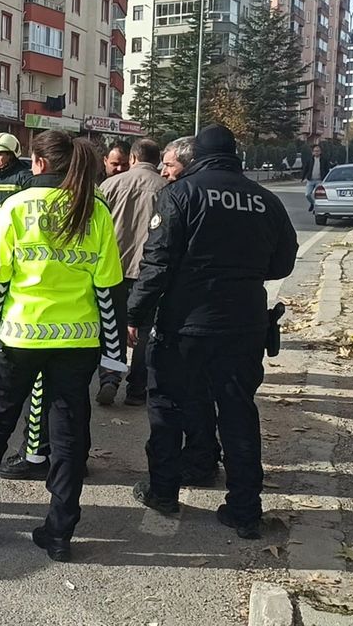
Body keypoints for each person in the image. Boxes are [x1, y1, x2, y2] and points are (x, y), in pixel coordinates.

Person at [0, 130, 127, 562]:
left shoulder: (15, 208)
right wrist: (114, 355)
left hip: (19, 338)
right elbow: (110, 290)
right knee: (69, 435)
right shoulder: (94, 210)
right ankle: (60, 533)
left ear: (38, 163)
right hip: (78, 341)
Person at [129, 124, 298, 540]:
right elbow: (282, 265)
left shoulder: (180, 195)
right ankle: (244, 509)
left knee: (167, 406)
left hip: (185, 324)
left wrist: (134, 313)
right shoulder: (266, 200)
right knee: (238, 411)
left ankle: (164, 491)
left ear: (197, 156)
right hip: (243, 325)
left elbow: (158, 263)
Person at [96, 138, 167, 407]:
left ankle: (109, 377)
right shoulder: (167, 189)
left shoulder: (109, 186)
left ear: (133, 159)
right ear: (157, 160)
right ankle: (137, 389)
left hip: (111, 269)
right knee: (145, 330)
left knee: (110, 327)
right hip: (149, 271)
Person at [300, 144, 333, 212]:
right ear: (312, 152)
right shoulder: (310, 160)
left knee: (317, 195)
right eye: (315, 151)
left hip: (320, 181)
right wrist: (303, 178)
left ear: (320, 152)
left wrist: (327, 179)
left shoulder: (324, 160)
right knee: (307, 194)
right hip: (310, 180)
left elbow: (327, 170)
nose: (316, 152)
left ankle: (316, 208)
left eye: (318, 151)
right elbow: (305, 169)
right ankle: (312, 203)